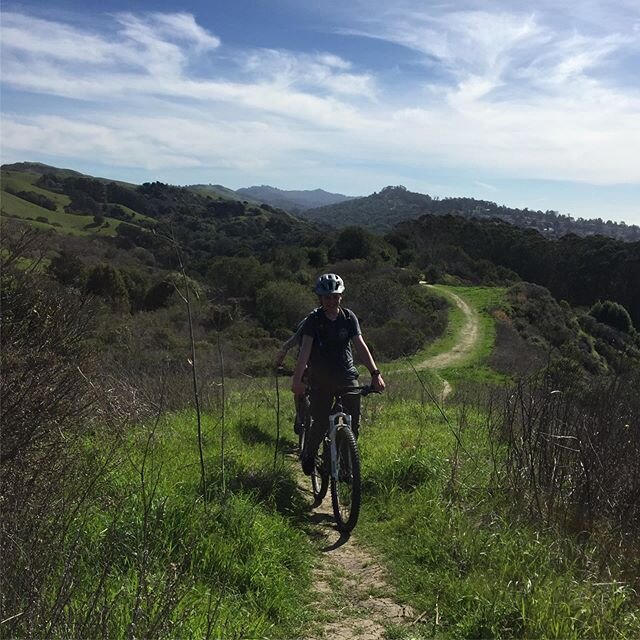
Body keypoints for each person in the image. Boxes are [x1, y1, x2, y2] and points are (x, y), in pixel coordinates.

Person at [292, 273, 385, 475]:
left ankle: (343, 465)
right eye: (327, 297)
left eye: (335, 296)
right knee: (321, 421)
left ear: (341, 296)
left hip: (346, 375)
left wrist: (375, 373)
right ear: (320, 298)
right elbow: (305, 350)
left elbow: (360, 346)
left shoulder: (348, 318)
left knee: (354, 424)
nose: (331, 301)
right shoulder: (313, 320)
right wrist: (298, 380)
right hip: (320, 378)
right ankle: (309, 453)